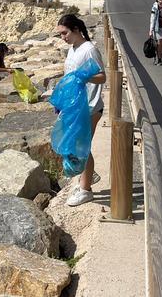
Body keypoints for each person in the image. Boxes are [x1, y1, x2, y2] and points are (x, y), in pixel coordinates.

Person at [56, 14, 107, 207]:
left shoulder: (89, 50)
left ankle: (86, 190)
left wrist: (84, 77)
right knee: (78, 145)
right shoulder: (73, 49)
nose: (63, 37)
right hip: (74, 106)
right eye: (60, 34)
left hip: (90, 106)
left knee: (81, 147)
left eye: (65, 33)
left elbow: (102, 77)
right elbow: (69, 76)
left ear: (76, 29)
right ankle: (86, 179)